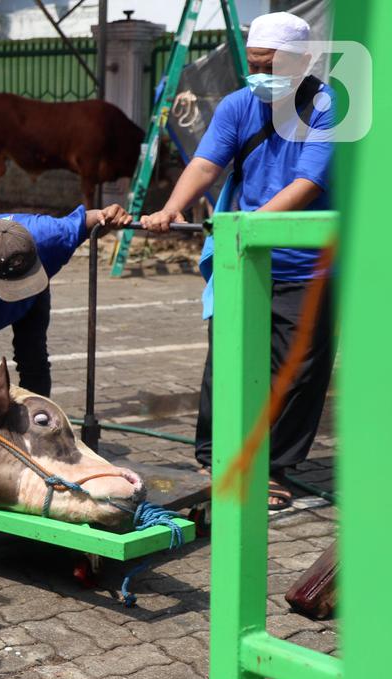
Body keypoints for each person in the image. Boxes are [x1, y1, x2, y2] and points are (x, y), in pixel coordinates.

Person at [142, 11, 333, 511]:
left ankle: (272, 466)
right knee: (228, 358)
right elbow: (207, 163)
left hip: (305, 265)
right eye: (254, 63)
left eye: (270, 65)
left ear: (302, 61)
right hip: (242, 256)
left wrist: (252, 225)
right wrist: (171, 207)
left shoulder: (329, 108)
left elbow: (307, 183)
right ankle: (216, 453)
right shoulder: (238, 105)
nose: (260, 74)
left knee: (301, 368)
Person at [0, 204, 132, 404]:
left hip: (37, 285)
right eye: (14, 288)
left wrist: (110, 216)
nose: (20, 294)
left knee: (33, 357)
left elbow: (91, 219)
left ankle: (38, 425)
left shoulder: (49, 235)